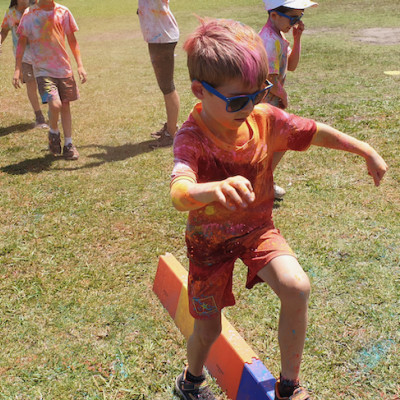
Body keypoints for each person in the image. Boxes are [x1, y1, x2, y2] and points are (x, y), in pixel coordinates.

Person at [170, 17, 388, 400]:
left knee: (296, 287)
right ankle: (191, 380)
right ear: (198, 91)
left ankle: (289, 386)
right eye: (239, 100)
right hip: (209, 244)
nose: (251, 106)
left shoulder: (261, 117)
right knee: (208, 331)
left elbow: (313, 130)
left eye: (258, 93)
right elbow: (180, 192)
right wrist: (212, 190)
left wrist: (364, 149)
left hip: (257, 230)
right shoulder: (192, 137)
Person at [12, 0, 87, 160]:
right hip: (43, 70)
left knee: (65, 105)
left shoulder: (63, 11)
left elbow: (72, 40)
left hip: (64, 68)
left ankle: (68, 144)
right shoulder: (30, 14)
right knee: (56, 104)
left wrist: (80, 65)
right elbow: (22, 42)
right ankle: (54, 132)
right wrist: (18, 68)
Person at [259, 0, 318, 199]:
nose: (296, 22)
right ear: (274, 15)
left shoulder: (279, 36)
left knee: (278, 142)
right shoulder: (269, 41)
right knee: (281, 140)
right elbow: (267, 78)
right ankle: (261, 182)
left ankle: (263, 180)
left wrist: (297, 38)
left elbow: (291, 66)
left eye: (300, 17)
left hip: (273, 102)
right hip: (265, 104)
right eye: (293, 17)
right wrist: (283, 95)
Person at [137, 0, 180, 148]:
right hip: (157, 37)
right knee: (166, 86)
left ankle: (171, 133)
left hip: (163, 37)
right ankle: (171, 127)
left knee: (167, 87)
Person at [1, 0, 48, 129]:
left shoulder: (36, 9)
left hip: (41, 54)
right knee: (31, 84)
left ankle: (52, 110)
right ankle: (39, 116)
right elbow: (4, 30)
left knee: (46, 82)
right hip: (23, 57)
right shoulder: (11, 13)